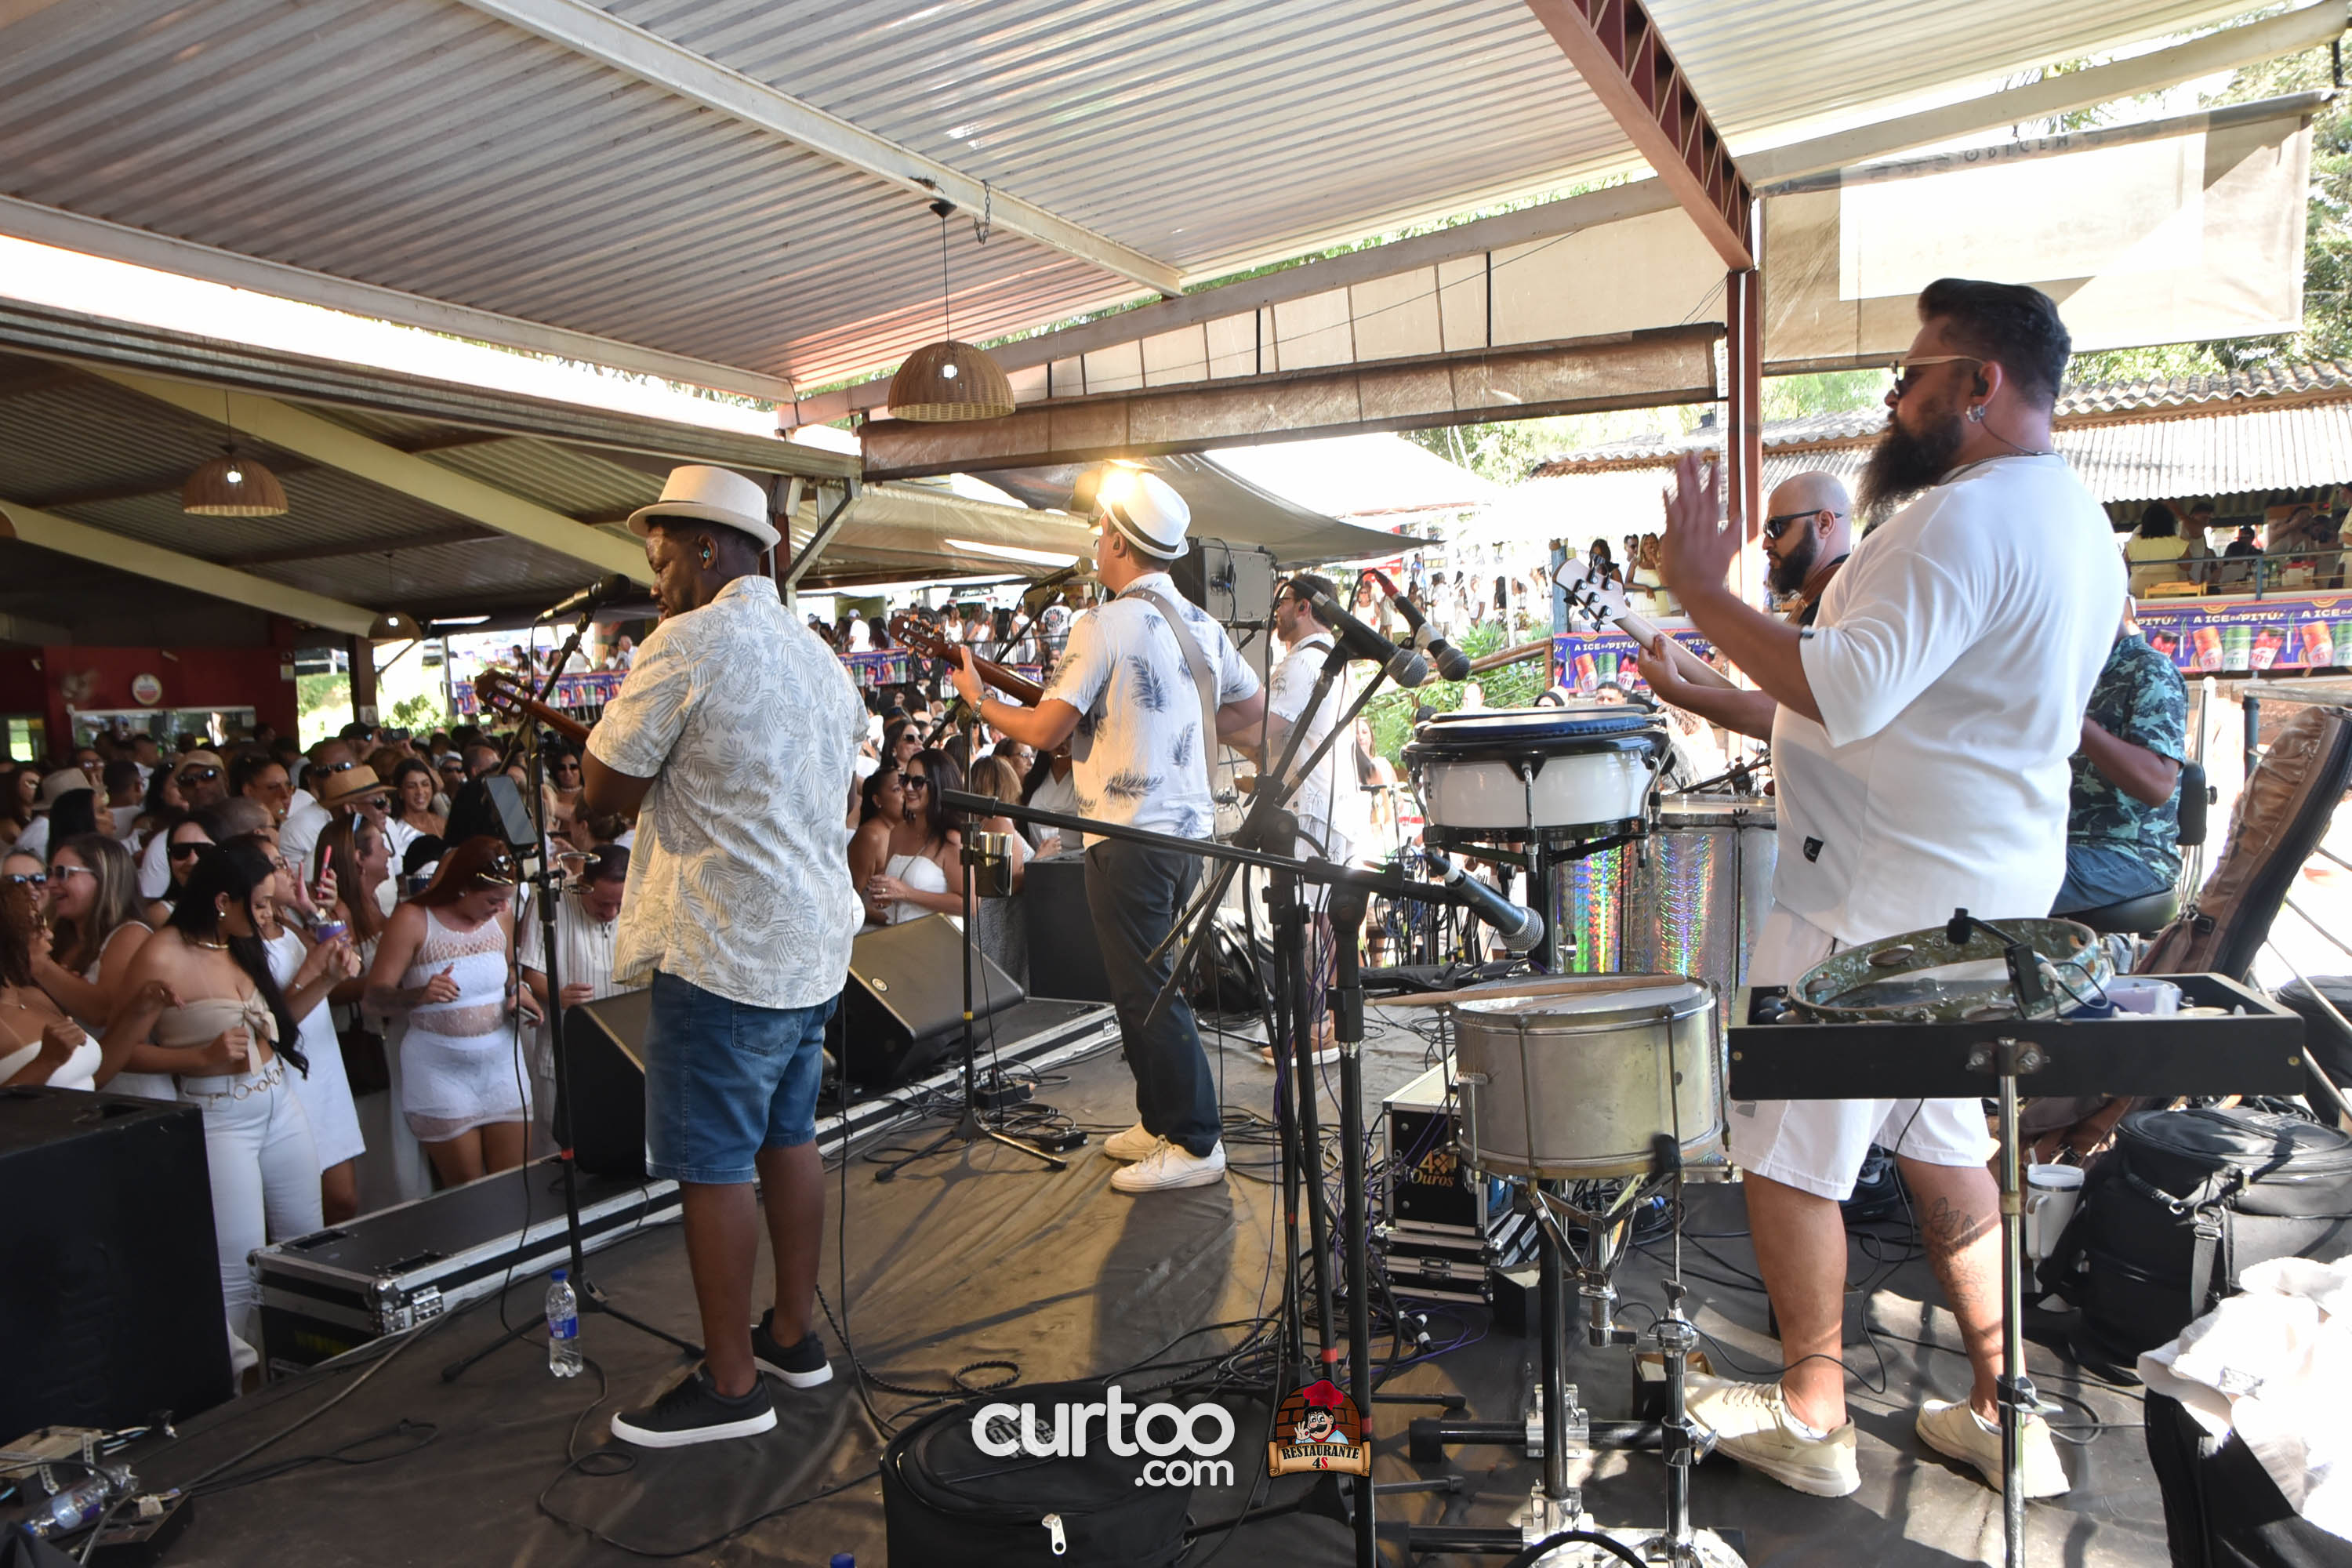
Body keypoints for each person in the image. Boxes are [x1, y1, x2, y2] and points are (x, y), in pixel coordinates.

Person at [1654, 278, 2121, 1500]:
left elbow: (1847, 690)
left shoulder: (1952, 522)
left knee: (1785, 1153)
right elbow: (1907, 713)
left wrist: (1705, 595)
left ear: (1981, 383)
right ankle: (2004, 1412)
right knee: (1943, 1145)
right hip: (1980, 904)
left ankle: (1813, 1415)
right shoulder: (2077, 522)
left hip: (1865, 912)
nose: (1895, 398)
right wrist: (1718, 691)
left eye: (1913, 376)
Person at [574, 464, 863, 1447]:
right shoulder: (820, 657)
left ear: (707, 547)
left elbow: (604, 790)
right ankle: (791, 1336)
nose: (655, 583)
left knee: (713, 1165)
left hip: (724, 950)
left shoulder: (687, 643)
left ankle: (733, 1386)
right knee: (789, 1137)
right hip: (810, 949)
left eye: (661, 561)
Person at [948, 470, 1265, 1196]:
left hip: (1127, 835)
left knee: (1147, 990)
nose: (1096, 541)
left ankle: (1196, 1141)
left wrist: (978, 701)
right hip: (1185, 835)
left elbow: (1045, 729)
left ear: (1119, 541)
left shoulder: (1104, 623)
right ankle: (1159, 1122)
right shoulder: (1202, 625)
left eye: (1101, 531)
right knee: (1141, 984)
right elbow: (1250, 717)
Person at [103, 841, 324, 1370]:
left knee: (309, 1244)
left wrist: (329, 977)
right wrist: (197, 1058)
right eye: (261, 904)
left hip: (279, 1101)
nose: (269, 915)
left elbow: (278, 1024)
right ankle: (237, 1383)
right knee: (237, 1267)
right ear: (224, 900)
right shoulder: (160, 953)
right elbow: (115, 1054)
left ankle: (310, 1359)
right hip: (220, 1117)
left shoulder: (239, 943)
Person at [364, 837, 539, 1186]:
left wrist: (518, 990)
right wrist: (418, 995)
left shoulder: (501, 917)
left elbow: (508, 968)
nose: (501, 909)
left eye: (505, 900)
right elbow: (373, 999)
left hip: (502, 1064)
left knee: (514, 1182)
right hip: (439, 1072)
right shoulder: (412, 919)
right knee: (467, 1189)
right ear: (462, 888)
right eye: (492, 900)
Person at [1636, 472, 1853, 742]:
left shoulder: (1843, 601)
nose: (1765, 543)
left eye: (1776, 527)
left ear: (1824, 524)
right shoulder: (1822, 597)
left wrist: (1675, 691)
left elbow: (1775, 716)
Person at [1252, 572, 1366, 1065]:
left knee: (1311, 920)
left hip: (1311, 810)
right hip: (1328, 805)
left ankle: (1316, 1026)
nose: (1276, 611)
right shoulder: (1329, 661)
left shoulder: (1302, 663)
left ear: (1303, 607)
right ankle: (1331, 1023)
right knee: (1327, 921)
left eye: (1283, 602)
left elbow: (1262, 728)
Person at [2051, 619, 2187, 916]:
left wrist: (2071, 716)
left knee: (2001, 881)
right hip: (2057, 841)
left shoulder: (2150, 669)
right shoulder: (2072, 672)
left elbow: (2158, 785)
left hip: (2131, 854)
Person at [31, 833, 150, 1087]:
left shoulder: (132, 934)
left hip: (126, 1089)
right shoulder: (61, 936)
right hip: (75, 1083)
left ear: (105, 877)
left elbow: (101, 1011)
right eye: (50, 873)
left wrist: (39, 964)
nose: (50, 883)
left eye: (63, 873)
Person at [1, 856, 96, 1088]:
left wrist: (139, 1011)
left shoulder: (35, 996)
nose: (49, 935)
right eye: (36, 927)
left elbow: (93, 1077)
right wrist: (46, 1062)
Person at [862, 750, 963, 924]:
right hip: (899, 935)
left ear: (938, 786)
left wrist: (906, 893)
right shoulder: (898, 831)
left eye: (918, 782)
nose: (908, 787)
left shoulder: (952, 839)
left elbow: (969, 904)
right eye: (905, 780)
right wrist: (883, 897)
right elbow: (890, 895)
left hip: (940, 938)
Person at [137, 750, 230, 898]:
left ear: (225, 779)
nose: (198, 785)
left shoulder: (250, 824)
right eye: (188, 780)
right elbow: (152, 900)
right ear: (180, 790)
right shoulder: (165, 842)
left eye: (208, 775)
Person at [2125, 502, 2192, 596]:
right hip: (2168, 591)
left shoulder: (2134, 542)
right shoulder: (2176, 542)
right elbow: (2187, 566)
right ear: (2169, 523)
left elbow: (2124, 565)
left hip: (2139, 590)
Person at [389, 757, 447, 847]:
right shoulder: (395, 829)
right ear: (400, 792)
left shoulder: (444, 823)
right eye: (411, 786)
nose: (420, 791)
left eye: (425, 784)